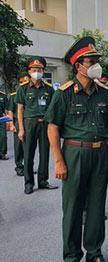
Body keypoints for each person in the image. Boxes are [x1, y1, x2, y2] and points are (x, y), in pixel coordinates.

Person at [45, 36, 108, 262]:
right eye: (91, 61)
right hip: (74, 153)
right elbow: (53, 127)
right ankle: (72, 258)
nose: (96, 65)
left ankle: (95, 253)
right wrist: (58, 160)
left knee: (97, 206)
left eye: (97, 60)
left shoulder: (104, 93)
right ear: (78, 65)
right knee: (73, 207)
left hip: (100, 153)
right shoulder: (64, 93)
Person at [15, 56, 57, 194]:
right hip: (29, 124)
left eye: (39, 70)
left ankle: (43, 181)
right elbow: (20, 110)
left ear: (43, 71)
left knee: (45, 154)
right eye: (34, 69)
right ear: (29, 71)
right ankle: (29, 183)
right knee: (28, 154)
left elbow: (53, 108)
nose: (37, 72)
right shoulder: (23, 88)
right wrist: (21, 129)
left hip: (45, 124)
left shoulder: (49, 89)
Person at [6, 75, 28, 175]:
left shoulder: (30, 93)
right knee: (18, 146)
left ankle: (28, 167)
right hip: (18, 122)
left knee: (28, 146)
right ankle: (19, 166)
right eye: (22, 82)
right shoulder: (14, 95)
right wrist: (11, 124)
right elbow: (10, 111)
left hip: (29, 122)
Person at [0, 88, 7, 160]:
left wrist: (8, 121)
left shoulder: (3, 96)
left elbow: (6, 109)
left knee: (3, 136)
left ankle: (2, 153)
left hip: (1, 118)